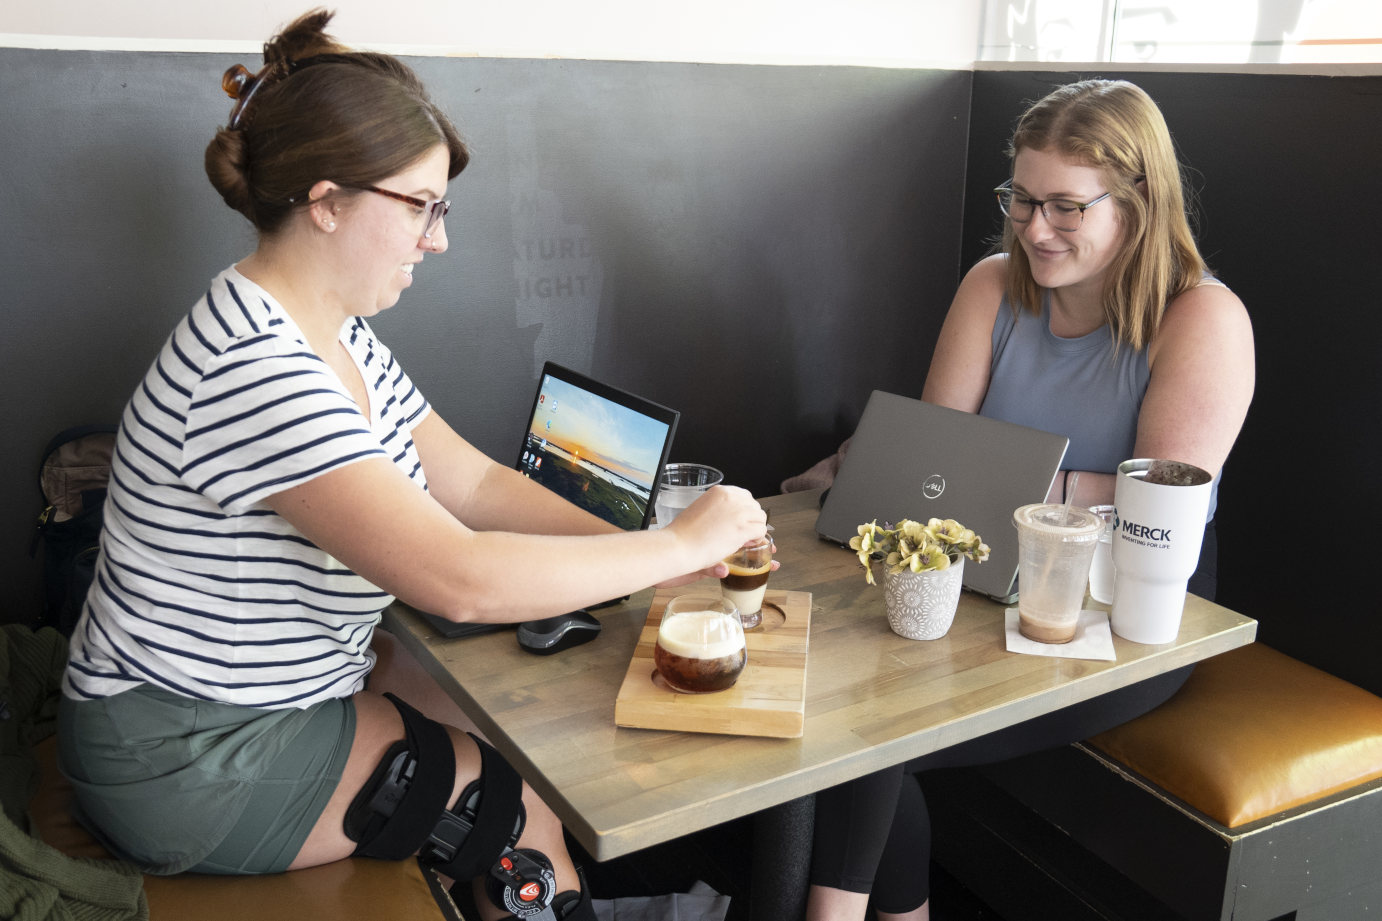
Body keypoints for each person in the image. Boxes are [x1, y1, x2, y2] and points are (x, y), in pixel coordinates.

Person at [55, 11, 770, 921]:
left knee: (510, 734)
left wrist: (663, 552)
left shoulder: (329, 333)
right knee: (502, 799)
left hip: (264, 696)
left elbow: (471, 485)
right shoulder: (256, 370)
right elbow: (459, 578)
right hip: (183, 753)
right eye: (422, 206)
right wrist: (672, 547)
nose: (438, 238)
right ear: (327, 201)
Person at [796, 79, 1254, 920]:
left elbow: (1159, 502)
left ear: (1138, 203)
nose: (1034, 227)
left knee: (866, 737)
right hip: (985, 579)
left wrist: (992, 474)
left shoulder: (1202, 317)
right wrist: (883, 466)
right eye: (1022, 199)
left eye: (1067, 207)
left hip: (1125, 615)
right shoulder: (993, 286)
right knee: (834, 708)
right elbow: (932, 463)